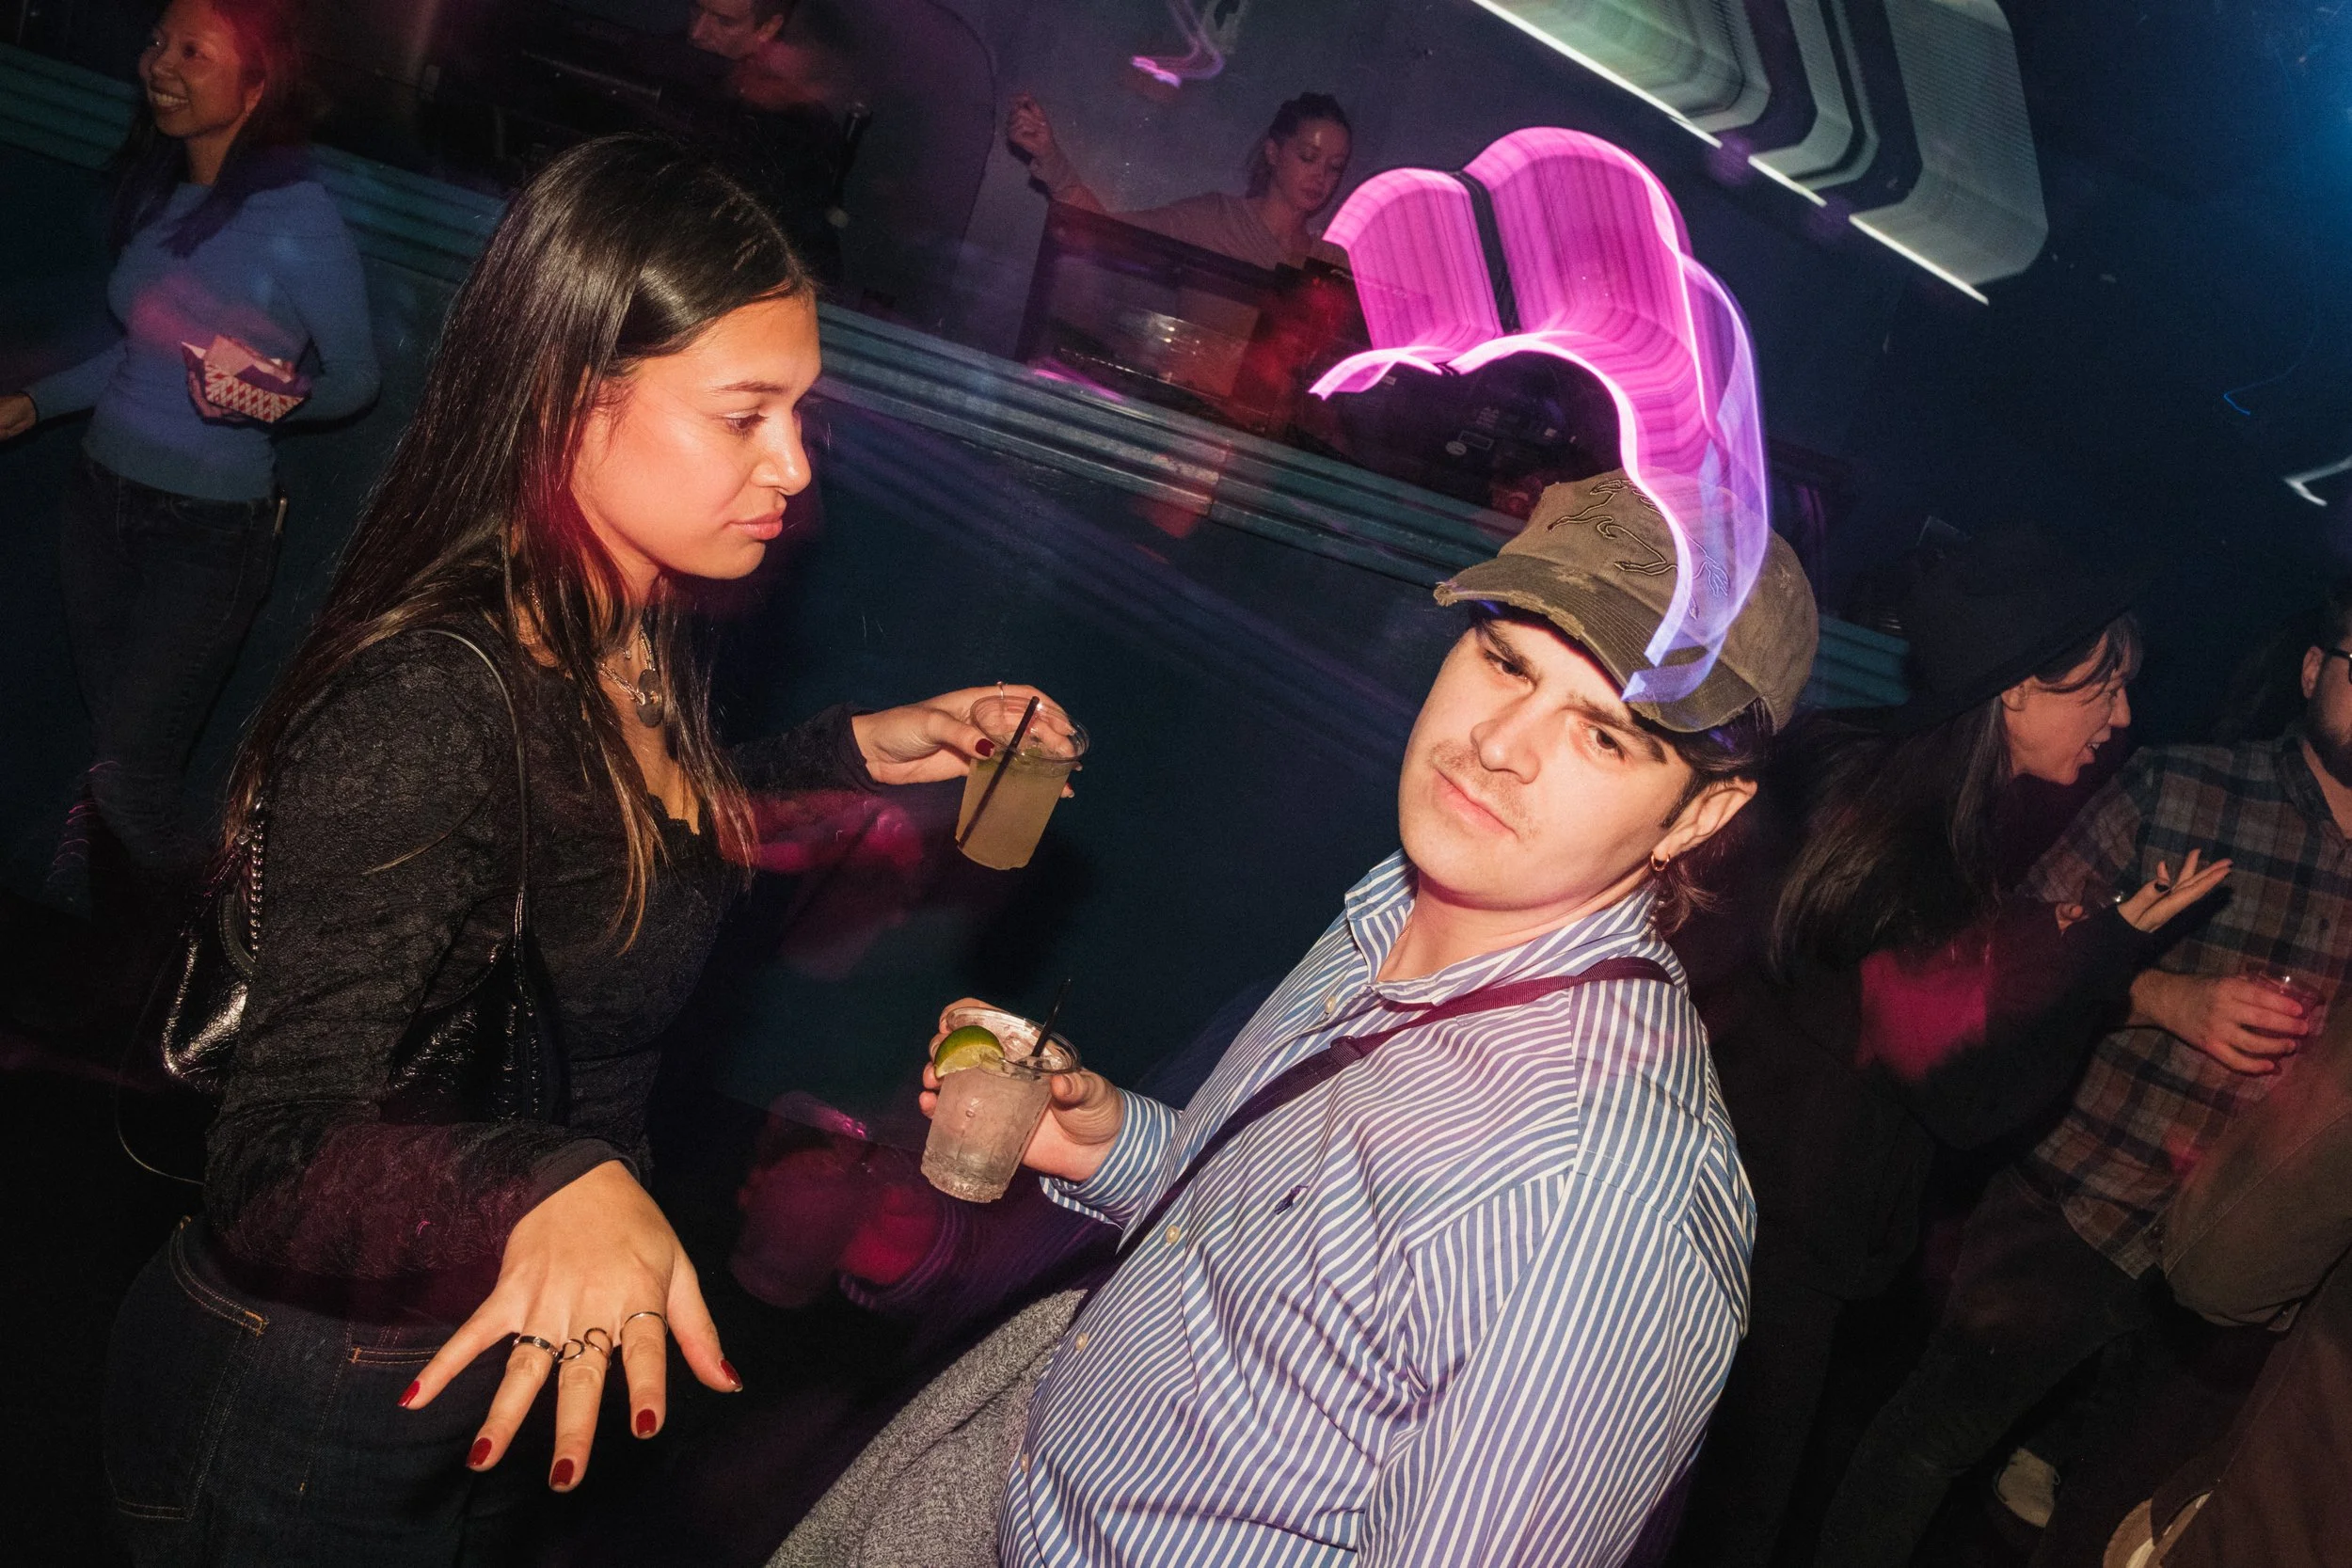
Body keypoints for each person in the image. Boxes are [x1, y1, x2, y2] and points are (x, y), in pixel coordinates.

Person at [99, 134, 1072, 1566]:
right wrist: (543, 1175)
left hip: (484, 1349)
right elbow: (270, 1154)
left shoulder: (630, 625)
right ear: (567, 401)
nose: (793, 464)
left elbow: (603, 846)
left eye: (800, 411)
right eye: (744, 415)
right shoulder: (428, 704)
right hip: (314, 1398)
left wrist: (850, 750)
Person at [866, 469, 1820, 1565]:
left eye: (1604, 735)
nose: (1500, 743)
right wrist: (1116, 1146)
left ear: (1700, 812)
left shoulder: (1595, 1202)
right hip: (1001, 1480)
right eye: (1505, 660)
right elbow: (1291, 1268)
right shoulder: (1406, 900)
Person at [1665, 527, 2232, 1568]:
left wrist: (2045, 941)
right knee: (1722, 1526)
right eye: (2104, 687)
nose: (2121, 717)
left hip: (1712, 1199)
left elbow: (1869, 981)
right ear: (2017, 689)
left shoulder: (1852, 757)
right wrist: (2102, 956)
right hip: (1775, 1257)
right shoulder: (1922, 848)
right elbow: (1969, 1092)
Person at [1809, 578, 2352, 1567]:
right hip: (2087, 1200)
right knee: (1930, 1442)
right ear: (2315, 671)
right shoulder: (2183, 786)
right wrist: (2167, 996)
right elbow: (2004, 965)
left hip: (2254, 1265)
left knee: (2131, 1504)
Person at [0, 0, 377, 928]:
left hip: (204, 532)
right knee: (112, 754)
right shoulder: (168, 194)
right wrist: (35, 402)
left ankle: (224, 935)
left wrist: (271, 395)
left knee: (129, 776)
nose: (159, 64)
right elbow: (143, 355)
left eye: (192, 51)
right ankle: (104, 933)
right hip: (98, 500)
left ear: (256, 86)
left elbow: (355, 381)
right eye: (157, 43)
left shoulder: (301, 219)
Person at [1007, 89, 1352, 270]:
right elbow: (1107, 232)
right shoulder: (1217, 219)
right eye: (1308, 157)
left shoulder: (1331, 263)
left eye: (1335, 167)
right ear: (1273, 152)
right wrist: (1051, 158)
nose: (1321, 176)